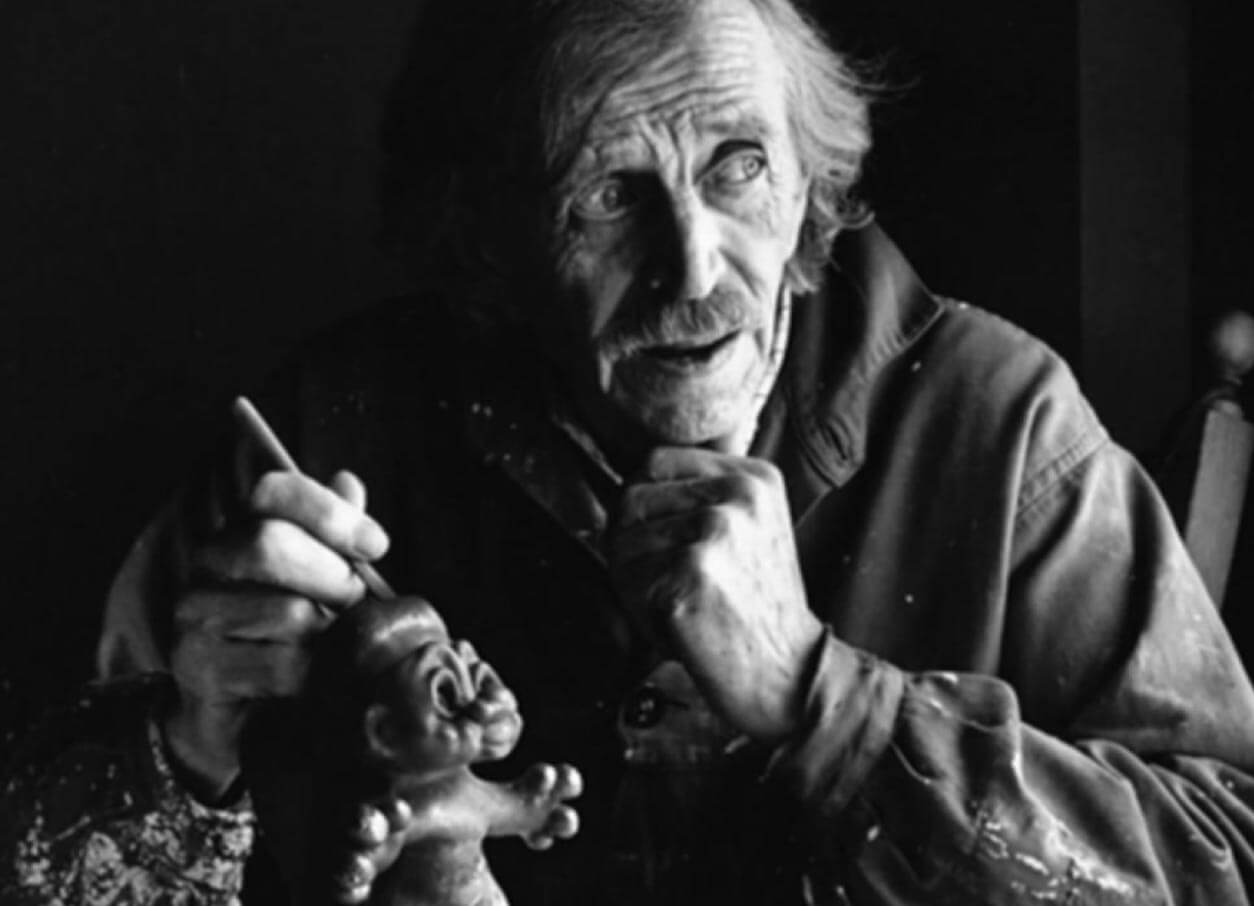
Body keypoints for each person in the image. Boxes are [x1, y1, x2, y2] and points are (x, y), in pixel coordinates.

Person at [4, 0, 1254, 903]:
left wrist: (823, 697)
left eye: (739, 167)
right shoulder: (331, 424)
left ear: (811, 182)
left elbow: (1225, 856)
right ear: (486, 233)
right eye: (609, 194)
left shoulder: (1001, 418)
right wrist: (188, 746)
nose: (695, 269)